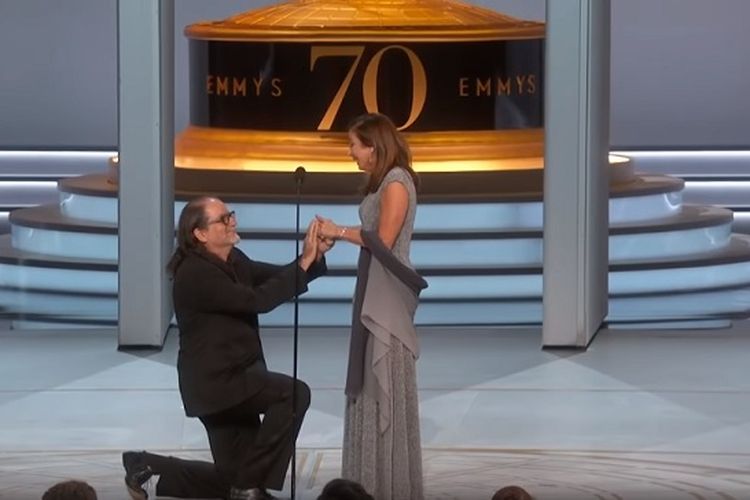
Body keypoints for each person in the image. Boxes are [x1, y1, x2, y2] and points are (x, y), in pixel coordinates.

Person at [122, 196, 333, 500]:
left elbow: (277, 277)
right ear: (200, 233)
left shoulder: (234, 259)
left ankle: (146, 466)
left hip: (236, 378)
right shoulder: (195, 273)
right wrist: (303, 263)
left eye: (230, 215)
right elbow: (257, 300)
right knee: (293, 395)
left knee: (234, 479)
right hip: (220, 384)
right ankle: (247, 486)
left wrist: (312, 256)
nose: (232, 221)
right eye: (223, 219)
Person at [316, 113, 427, 500]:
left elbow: (383, 241)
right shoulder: (385, 182)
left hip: (387, 293)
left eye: (354, 145)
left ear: (373, 147)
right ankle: (369, 482)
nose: (351, 153)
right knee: (367, 379)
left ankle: (388, 486)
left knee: (383, 378)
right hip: (373, 285)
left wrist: (339, 231)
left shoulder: (396, 181)